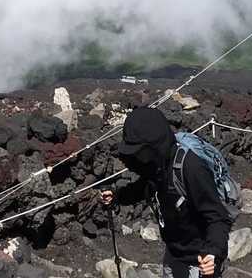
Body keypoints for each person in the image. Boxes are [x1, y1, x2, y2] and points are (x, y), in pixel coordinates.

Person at [99, 108, 233, 278]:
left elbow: (218, 217)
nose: (138, 157)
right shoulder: (156, 164)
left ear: (155, 145)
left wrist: (213, 253)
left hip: (200, 260)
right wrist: (118, 196)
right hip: (174, 253)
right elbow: (144, 187)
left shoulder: (191, 167)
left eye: (140, 151)